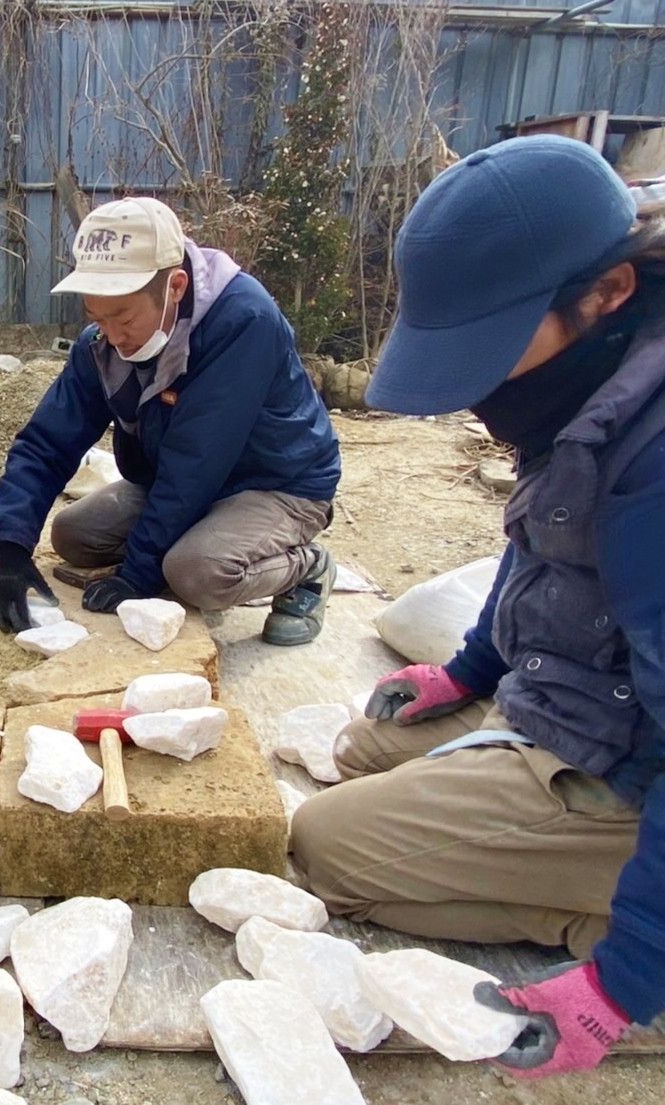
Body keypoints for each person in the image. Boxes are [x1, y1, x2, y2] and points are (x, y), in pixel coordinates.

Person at [290, 136, 665, 1078]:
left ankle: (615, 915)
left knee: (326, 849)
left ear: (606, 291)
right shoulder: (594, 379)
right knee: (361, 746)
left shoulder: (655, 467)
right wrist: (469, 671)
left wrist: (625, 980)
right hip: (590, 700)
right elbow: (545, 538)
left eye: (492, 346)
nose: (478, 384)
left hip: (633, 759)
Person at [0, 197, 341, 644]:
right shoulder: (101, 344)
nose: (111, 336)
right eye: (97, 317)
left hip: (277, 483)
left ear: (175, 286)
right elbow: (46, 443)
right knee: (73, 535)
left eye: (124, 317)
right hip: (183, 479)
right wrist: (10, 550)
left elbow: (195, 464)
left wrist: (137, 575)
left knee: (196, 572)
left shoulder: (243, 322)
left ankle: (307, 567)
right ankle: (195, 537)